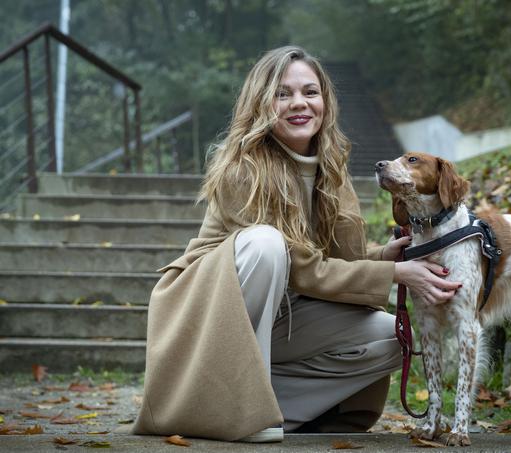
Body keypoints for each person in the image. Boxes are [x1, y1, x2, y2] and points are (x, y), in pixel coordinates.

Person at [132, 45, 461, 443]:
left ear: (325, 100)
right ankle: (237, 409)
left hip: (290, 313)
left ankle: (255, 409)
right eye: (283, 93)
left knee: (399, 336)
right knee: (266, 245)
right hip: (215, 307)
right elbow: (300, 266)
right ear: (262, 103)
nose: (299, 103)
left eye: (310, 91)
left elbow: (337, 263)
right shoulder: (243, 167)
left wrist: (382, 257)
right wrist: (391, 274)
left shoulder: (332, 165)